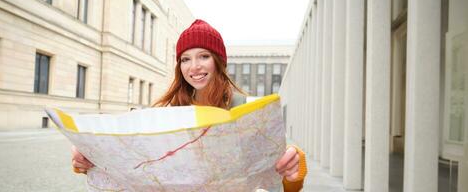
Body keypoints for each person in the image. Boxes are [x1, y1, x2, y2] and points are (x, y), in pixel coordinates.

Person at [71, 19, 307, 191]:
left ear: (218, 62)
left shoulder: (247, 111)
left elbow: (281, 183)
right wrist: (92, 157)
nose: (193, 67)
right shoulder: (166, 114)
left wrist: (294, 171)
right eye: (185, 59)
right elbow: (138, 168)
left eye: (203, 56)